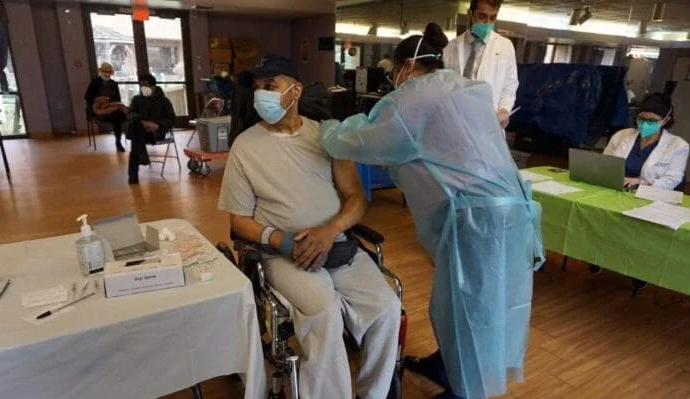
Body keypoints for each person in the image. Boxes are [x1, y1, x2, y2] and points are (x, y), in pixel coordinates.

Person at [320, 23, 544, 399]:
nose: (393, 78)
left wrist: (327, 128)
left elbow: (360, 139)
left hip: (478, 218)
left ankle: (466, 390)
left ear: (407, 66)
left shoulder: (412, 98)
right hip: (509, 208)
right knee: (460, 300)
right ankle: (449, 362)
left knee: (473, 306)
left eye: (393, 70)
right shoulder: (466, 88)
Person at [218, 55, 401, 399]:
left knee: (386, 309)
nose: (261, 95)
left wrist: (329, 231)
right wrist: (282, 241)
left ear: (295, 90)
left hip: (337, 243)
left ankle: (374, 393)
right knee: (324, 312)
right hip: (284, 253)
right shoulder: (245, 146)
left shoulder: (327, 136)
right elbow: (238, 220)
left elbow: (355, 198)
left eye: (270, 86)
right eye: (257, 89)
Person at [443, 0, 518, 129]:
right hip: (456, 121)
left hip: (489, 122)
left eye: (492, 18)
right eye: (482, 16)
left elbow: (510, 85)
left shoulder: (505, 47)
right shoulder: (451, 47)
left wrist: (504, 110)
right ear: (471, 14)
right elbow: (443, 84)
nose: (487, 23)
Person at [604, 93, 688, 191]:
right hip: (614, 189)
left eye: (651, 121)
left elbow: (672, 180)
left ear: (665, 121)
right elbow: (603, 165)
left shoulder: (678, 146)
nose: (645, 124)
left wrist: (642, 182)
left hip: (651, 195)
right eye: (641, 119)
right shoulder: (622, 135)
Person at [126, 73, 175, 184]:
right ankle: (142, 155)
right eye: (141, 85)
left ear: (153, 86)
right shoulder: (137, 99)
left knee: (136, 141)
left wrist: (157, 125)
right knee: (136, 129)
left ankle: (135, 171)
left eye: (145, 85)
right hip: (141, 130)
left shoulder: (164, 101)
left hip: (156, 132)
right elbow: (130, 114)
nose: (143, 87)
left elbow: (172, 119)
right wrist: (144, 122)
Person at [84, 62, 127, 152]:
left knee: (119, 114)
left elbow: (117, 98)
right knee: (116, 117)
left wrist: (108, 100)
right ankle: (118, 140)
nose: (107, 76)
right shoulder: (94, 83)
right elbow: (88, 97)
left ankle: (118, 140)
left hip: (111, 107)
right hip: (100, 110)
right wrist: (99, 100)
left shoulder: (114, 84)